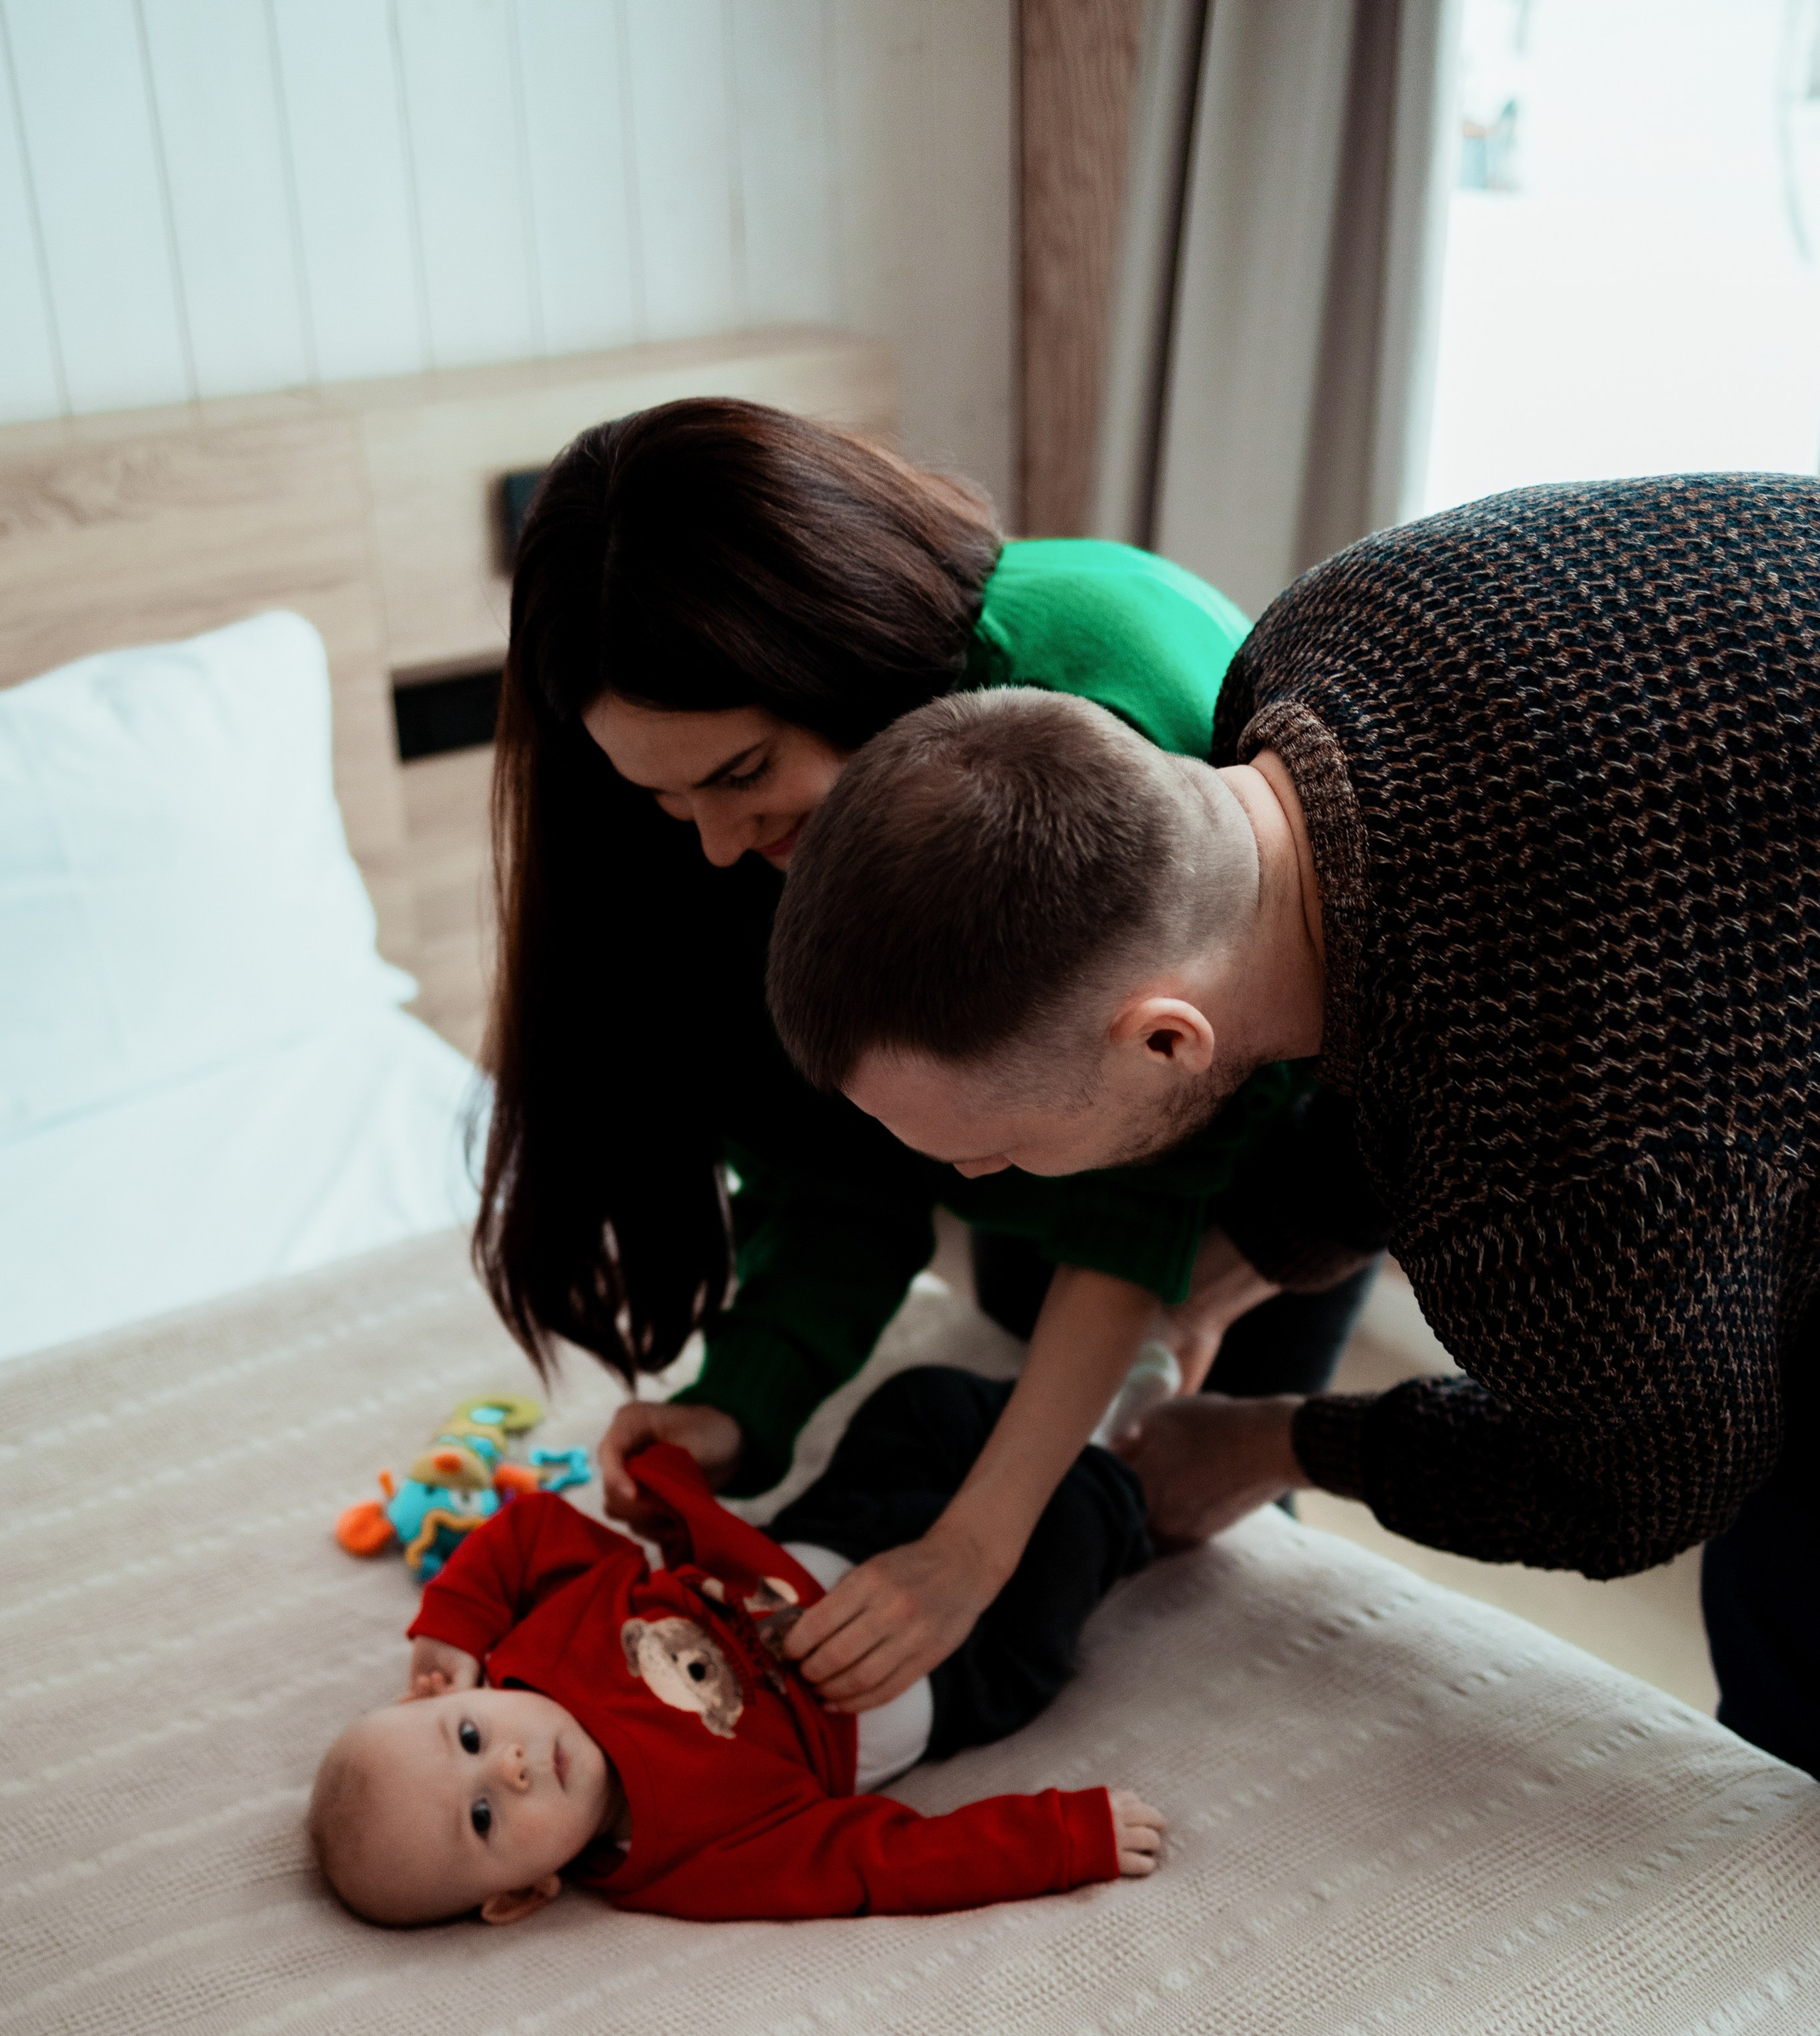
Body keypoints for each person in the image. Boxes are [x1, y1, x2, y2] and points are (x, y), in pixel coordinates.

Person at [762, 475, 1820, 1777]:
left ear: (1167, 1039)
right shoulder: (1330, 631)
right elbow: (1432, 979)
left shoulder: (1551, 1192)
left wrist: (1271, 1440)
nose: (974, 1177)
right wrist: (1257, 1252)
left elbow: (1644, 1480)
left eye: (998, 1146)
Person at [476, 398, 1372, 1725]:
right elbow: (838, 1172)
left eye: (741, 773)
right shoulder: (721, 856)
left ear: (839, 649)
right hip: (1072, 1162)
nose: (718, 845)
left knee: (1191, 1531)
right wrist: (745, 1398)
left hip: (1263, 1159)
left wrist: (980, 1543)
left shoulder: (1121, 679)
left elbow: (1141, 1202)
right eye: (668, 805)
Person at [309, 1366, 1165, 1927]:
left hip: (821, 1535)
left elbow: (530, 1529)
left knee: (922, 1403)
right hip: (958, 1662)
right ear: (521, 1896)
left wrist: (451, 1625)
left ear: (449, 1694)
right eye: (485, 1818)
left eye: (468, 1736)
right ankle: (1131, 1448)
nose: (511, 1767)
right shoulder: (686, 1863)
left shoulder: (540, 1647)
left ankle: (1079, 1397)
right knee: (1084, 1521)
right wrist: (1060, 1838)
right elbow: (882, 1865)